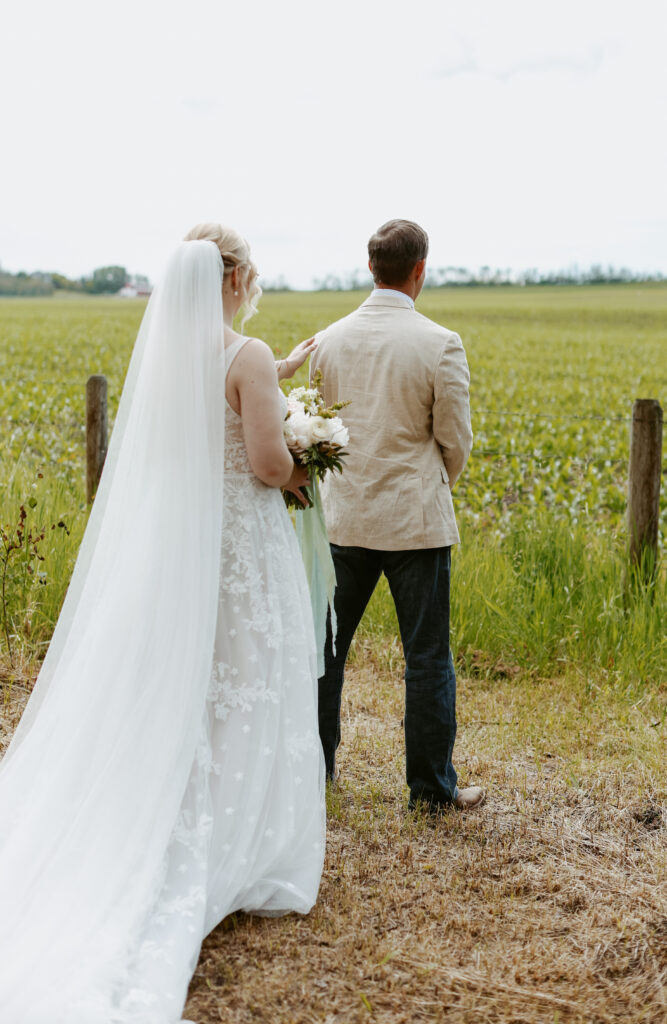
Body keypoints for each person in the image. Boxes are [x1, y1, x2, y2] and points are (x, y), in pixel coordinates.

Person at [0, 224, 325, 1022]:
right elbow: (264, 463)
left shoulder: (172, 357)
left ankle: (163, 792)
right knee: (245, 673)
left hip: (173, 544)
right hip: (238, 544)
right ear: (236, 276)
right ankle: (241, 839)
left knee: (181, 672)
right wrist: (302, 462)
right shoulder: (242, 353)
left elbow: (213, 407)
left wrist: (276, 382)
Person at [311, 218, 484, 812]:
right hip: (415, 521)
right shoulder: (440, 342)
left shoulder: (328, 341)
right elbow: (454, 438)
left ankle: (314, 773)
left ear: (370, 269)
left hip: (343, 520)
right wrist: (432, 484)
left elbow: (318, 431)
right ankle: (432, 792)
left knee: (325, 654)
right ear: (420, 271)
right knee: (428, 658)